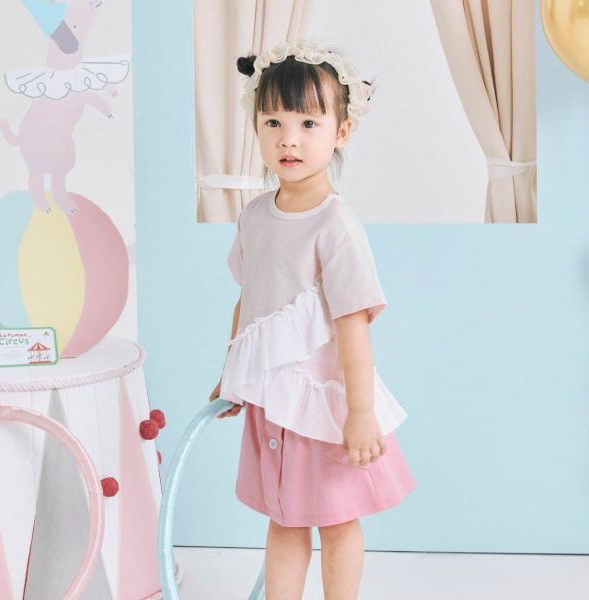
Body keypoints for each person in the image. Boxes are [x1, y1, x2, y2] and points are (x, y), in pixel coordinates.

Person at [209, 39, 417, 600]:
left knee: (337, 519)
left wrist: (360, 413)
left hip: (323, 404)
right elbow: (249, 300)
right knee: (284, 518)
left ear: (340, 132)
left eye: (307, 122)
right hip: (273, 400)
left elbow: (353, 324)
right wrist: (231, 373)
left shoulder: (335, 226)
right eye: (273, 122)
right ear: (257, 127)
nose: (289, 138)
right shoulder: (255, 216)